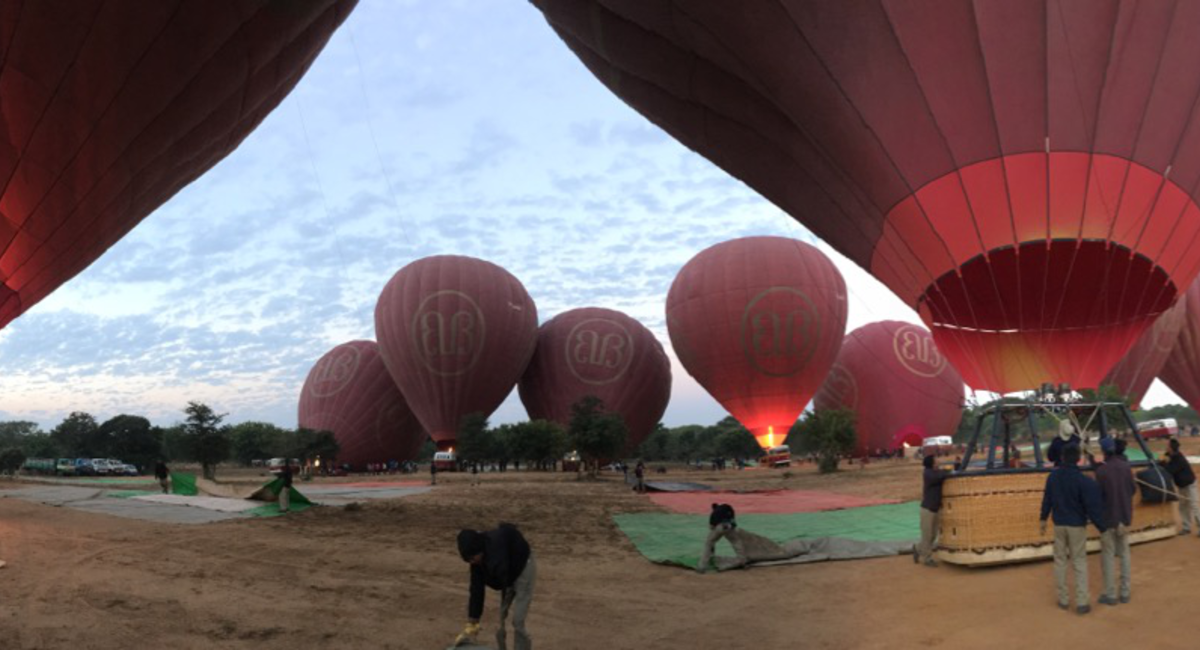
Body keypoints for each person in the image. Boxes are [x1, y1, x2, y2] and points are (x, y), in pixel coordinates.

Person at [1040, 444, 1106, 614]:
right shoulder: (1083, 480)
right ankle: (1082, 601)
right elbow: (1092, 506)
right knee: (1079, 561)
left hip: (1059, 524)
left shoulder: (1052, 478)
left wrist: (1043, 518)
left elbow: (1047, 499)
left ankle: (1063, 599)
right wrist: (1101, 526)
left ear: (1062, 457)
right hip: (1076, 525)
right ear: (1078, 459)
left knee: (1060, 561)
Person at [455, 524, 535, 650]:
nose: (471, 562)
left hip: (523, 567)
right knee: (501, 620)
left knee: (517, 621)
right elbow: (476, 590)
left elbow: (500, 584)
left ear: (479, 549)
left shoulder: (497, 551)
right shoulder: (476, 560)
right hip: (507, 572)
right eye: (468, 560)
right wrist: (473, 621)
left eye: (472, 557)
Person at [697, 503, 806, 572]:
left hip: (720, 527)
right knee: (737, 544)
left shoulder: (713, 515)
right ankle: (743, 561)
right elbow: (733, 519)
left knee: (709, 543)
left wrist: (713, 541)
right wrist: (732, 525)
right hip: (729, 526)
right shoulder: (728, 507)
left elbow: (712, 527)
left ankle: (703, 566)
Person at [1095, 437, 1134, 606]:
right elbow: (1132, 489)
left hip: (1108, 519)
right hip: (1124, 517)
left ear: (1104, 451)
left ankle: (1110, 594)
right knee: (1124, 554)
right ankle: (1125, 592)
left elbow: (1099, 497)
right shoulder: (1126, 467)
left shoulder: (1101, 472)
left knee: (1108, 556)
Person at [1159, 438, 1200, 536]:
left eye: (1167, 445)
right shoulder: (1172, 455)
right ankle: (1186, 527)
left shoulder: (1179, 458)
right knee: (1183, 506)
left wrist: (1163, 463)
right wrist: (1163, 459)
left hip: (1189, 484)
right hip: (1181, 485)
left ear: (1171, 448)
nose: (1166, 447)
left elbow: (1171, 470)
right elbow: (1165, 457)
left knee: (1193, 505)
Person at [916, 454, 950, 567]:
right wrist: (948, 471)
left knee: (933, 535)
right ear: (932, 463)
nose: (938, 461)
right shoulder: (928, 473)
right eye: (936, 460)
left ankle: (917, 548)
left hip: (935, 508)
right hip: (927, 509)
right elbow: (940, 476)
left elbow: (942, 474)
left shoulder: (936, 472)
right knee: (927, 535)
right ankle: (927, 558)